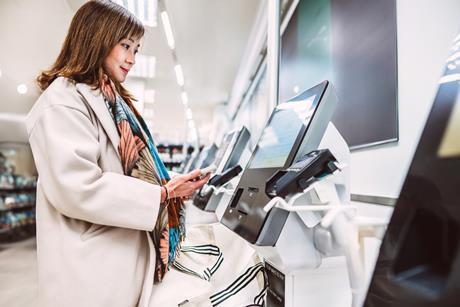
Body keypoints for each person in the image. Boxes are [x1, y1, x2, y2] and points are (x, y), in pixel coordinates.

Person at [26, 1, 210, 306]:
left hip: (118, 260)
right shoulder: (62, 103)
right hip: (92, 272)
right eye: (126, 45)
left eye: (136, 49)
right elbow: (78, 187)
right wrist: (162, 194)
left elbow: (126, 171)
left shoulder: (113, 101)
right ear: (96, 37)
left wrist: (171, 186)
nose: (132, 58)